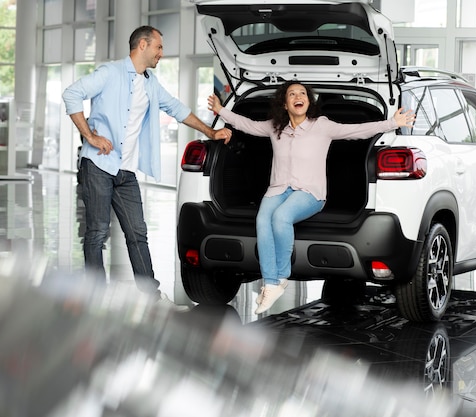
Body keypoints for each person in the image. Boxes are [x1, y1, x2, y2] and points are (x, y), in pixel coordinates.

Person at [208, 81, 415, 314]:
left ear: (308, 101)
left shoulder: (321, 126)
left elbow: (356, 130)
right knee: (262, 220)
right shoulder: (276, 127)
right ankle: (271, 283)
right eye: (292, 94)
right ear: (284, 104)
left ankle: (281, 277)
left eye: (303, 93)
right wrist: (220, 110)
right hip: (277, 189)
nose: (299, 96)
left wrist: (391, 123)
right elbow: (247, 124)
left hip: (310, 193)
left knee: (281, 217)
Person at [62, 25, 232, 304]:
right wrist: (90, 136)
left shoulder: (150, 82)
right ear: (143, 45)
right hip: (98, 166)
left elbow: (177, 109)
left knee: (137, 232)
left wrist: (211, 133)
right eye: (159, 47)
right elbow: (71, 94)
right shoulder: (110, 73)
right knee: (97, 232)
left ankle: (150, 296)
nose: (161, 54)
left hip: (125, 171)